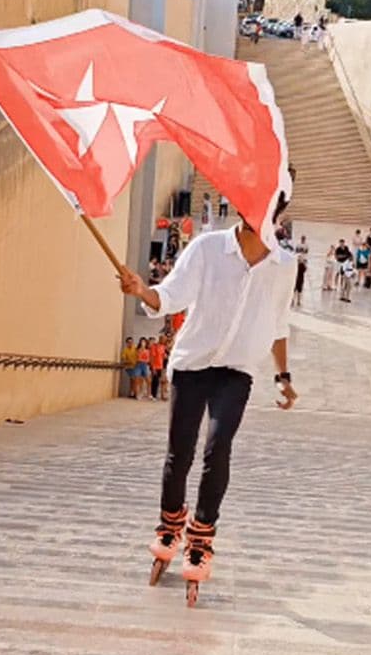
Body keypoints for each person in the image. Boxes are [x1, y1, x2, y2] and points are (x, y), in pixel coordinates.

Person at [117, 201, 299, 606]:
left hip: (237, 371)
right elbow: (172, 295)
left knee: (218, 448)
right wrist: (140, 290)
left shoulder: (284, 266)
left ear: (278, 216)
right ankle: (169, 527)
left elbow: (278, 322)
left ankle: (200, 538)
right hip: (192, 364)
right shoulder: (207, 248)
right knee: (179, 452)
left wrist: (283, 376)